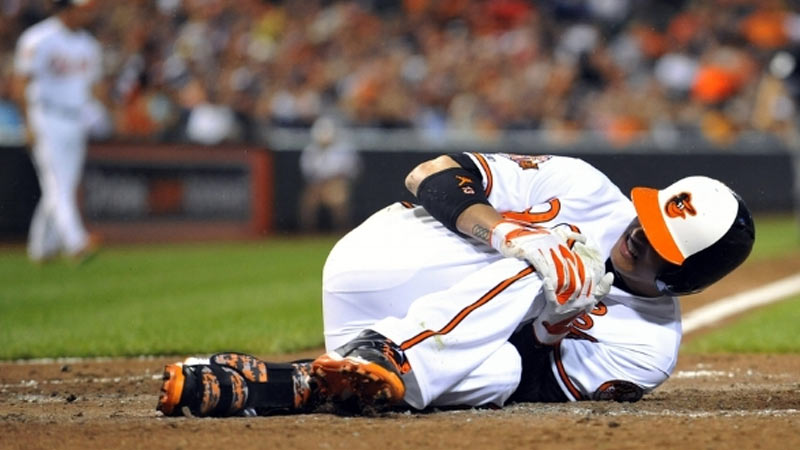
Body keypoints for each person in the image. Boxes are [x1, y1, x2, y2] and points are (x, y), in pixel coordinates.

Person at [156, 152, 755, 417]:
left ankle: (291, 383)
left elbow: (531, 386)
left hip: (412, 345)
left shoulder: (649, 348)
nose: (638, 233)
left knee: (501, 374)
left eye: (659, 242)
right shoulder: (585, 187)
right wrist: (510, 235)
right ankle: (390, 354)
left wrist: (550, 327)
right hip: (387, 260)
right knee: (557, 257)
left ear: (685, 275)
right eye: (647, 217)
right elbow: (431, 175)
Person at [12, 0, 101, 263]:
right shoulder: (39, 38)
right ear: (66, 9)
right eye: (82, 8)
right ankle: (76, 242)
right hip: (46, 115)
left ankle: (41, 247)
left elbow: (93, 87)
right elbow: (20, 83)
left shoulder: (89, 44)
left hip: (76, 118)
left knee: (63, 185)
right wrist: (27, 123)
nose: (87, 13)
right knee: (58, 184)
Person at [298, 116, 361, 232]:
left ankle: (342, 231)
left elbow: (352, 170)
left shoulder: (344, 149)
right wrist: (320, 183)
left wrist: (335, 180)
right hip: (317, 185)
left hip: (337, 184)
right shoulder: (311, 150)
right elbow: (308, 172)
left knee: (338, 196)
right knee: (308, 201)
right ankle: (308, 233)